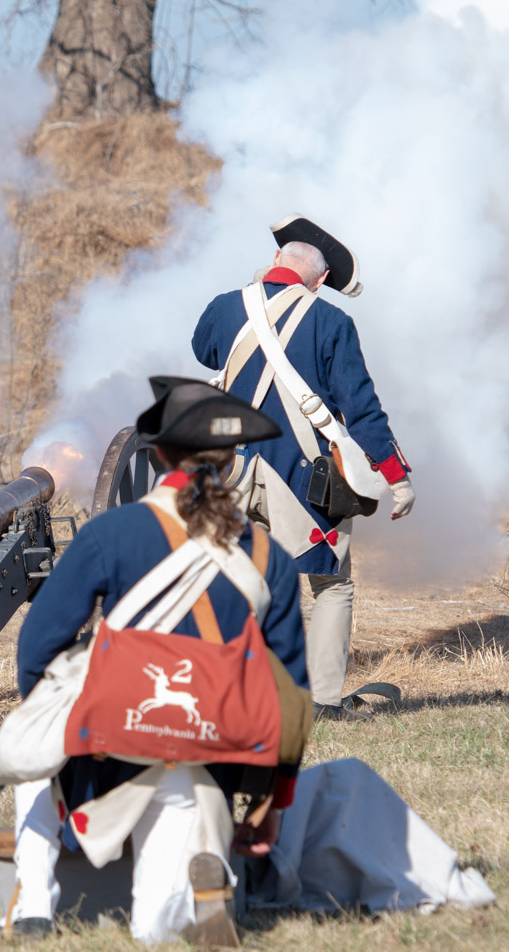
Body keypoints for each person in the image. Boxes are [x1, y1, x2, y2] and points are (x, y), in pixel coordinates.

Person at [9, 377, 309, 945]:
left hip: (110, 747)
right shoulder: (270, 557)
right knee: (156, 931)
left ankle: (34, 903)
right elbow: (292, 695)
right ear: (230, 460)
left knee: (35, 738)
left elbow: (36, 648)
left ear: (160, 455)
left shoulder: (109, 534)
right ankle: (203, 880)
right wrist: (270, 800)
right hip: (210, 756)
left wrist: (51, 722)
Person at [191, 215, 413, 720]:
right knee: (332, 584)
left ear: (274, 263)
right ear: (318, 282)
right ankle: (324, 703)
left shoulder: (227, 307)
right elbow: (361, 409)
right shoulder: (332, 321)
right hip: (301, 477)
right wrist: (396, 476)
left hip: (227, 471)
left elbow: (203, 349)